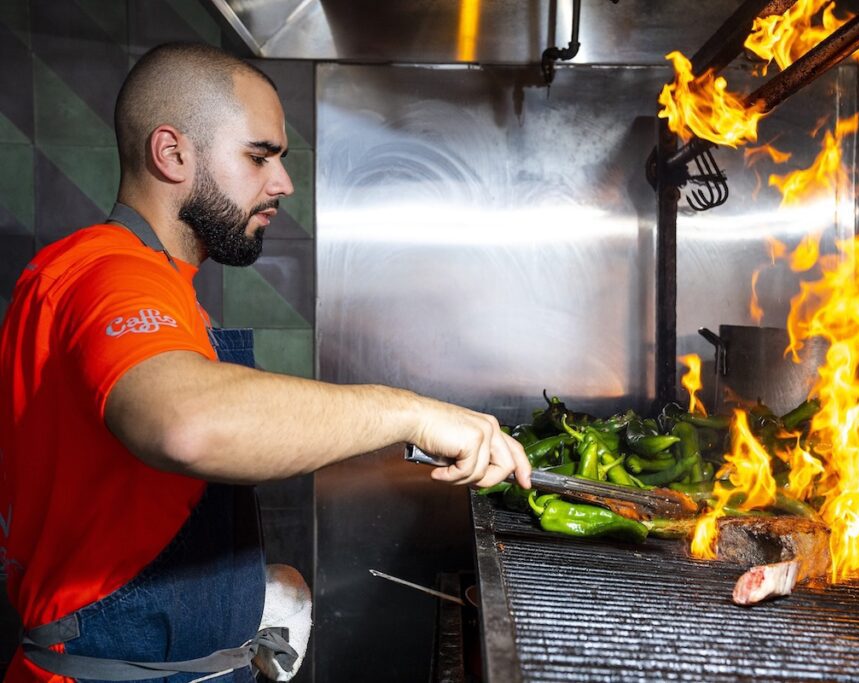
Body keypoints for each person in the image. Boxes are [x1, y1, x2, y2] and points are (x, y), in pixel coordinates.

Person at [0, 42, 531, 683]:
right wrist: (410, 413)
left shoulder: (163, 286)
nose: (282, 182)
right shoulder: (110, 273)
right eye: (259, 157)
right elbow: (187, 424)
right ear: (172, 154)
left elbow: (119, 501)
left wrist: (243, 592)